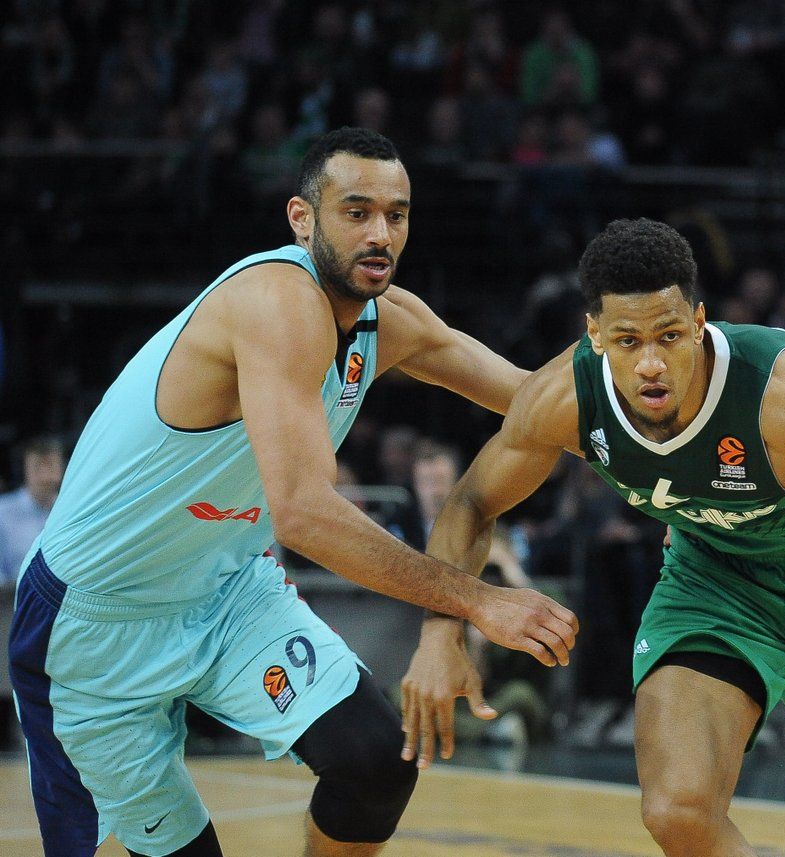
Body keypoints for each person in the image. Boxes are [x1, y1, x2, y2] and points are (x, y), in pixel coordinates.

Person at [8, 127, 578, 857]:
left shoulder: (388, 320)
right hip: (94, 622)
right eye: (357, 212)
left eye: (396, 215)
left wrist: (650, 412)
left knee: (376, 761)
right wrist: (479, 601)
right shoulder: (275, 300)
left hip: (225, 591)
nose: (380, 235)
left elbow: (539, 404)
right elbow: (305, 514)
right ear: (302, 219)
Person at [400, 219, 785, 857]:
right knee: (677, 812)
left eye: (669, 336)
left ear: (698, 321)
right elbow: (470, 503)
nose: (651, 363)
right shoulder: (565, 398)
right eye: (627, 341)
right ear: (594, 334)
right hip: (717, 583)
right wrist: (441, 631)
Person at [0, 435, 65, 582]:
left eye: (50, 465)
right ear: (24, 470)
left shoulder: (72, 511)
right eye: (37, 466)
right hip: (14, 594)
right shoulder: (2, 513)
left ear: (62, 468)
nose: (45, 475)